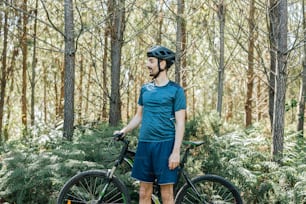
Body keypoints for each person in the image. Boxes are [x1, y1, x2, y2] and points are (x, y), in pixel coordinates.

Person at [114, 45, 186, 204]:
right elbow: (139, 116)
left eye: (151, 61)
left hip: (165, 145)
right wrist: (124, 130)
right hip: (145, 144)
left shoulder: (176, 90)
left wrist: (175, 152)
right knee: (144, 193)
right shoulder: (145, 89)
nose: (148, 64)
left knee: (166, 195)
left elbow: (180, 123)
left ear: (163, 64)